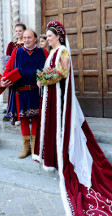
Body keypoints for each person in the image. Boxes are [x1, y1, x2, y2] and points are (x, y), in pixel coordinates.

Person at [33, 21, 112, 215]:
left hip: (59, 100)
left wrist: (43, 78)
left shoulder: (63, 52)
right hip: (50, 97)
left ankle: (63, 157)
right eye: (46, 36)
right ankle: (52, 157)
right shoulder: (51, 53)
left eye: (49, 35)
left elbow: (61, 72)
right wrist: (41, 77)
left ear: (58, 36)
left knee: (62, 129)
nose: (47, 38)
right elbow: (48, 71)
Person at [1, 29, 48, 159]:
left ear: (35, 39)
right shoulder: (17, 52)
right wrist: (4, 79)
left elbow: (49, 69)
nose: (26, 40)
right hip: (20, 92)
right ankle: (26, 148)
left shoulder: (42, 52)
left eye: (29, 37)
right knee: (23, 119)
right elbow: (9, 68)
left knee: (35, 119)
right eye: (25, 37)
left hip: (36, 91)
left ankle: (34, 147)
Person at [3, 23, 27, 123]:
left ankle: (24, 114)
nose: (18, 33)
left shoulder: (27, 44)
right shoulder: (11, 45)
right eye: (16, 31)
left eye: (20, 31)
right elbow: (7, 60)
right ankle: (14, 114)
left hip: (25, 73)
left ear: (24, 31)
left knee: (23, 93)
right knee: (13, 93)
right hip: (13, 73)